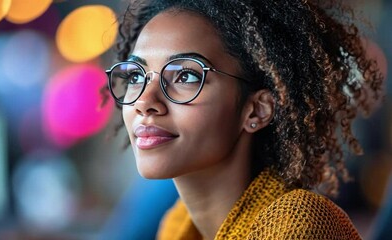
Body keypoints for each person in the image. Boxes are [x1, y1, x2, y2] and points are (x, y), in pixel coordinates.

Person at [102, 0, 385, 239]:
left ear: (256, 110)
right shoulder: (178, 225)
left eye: (186, 76)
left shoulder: (298, 225)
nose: (144, 102)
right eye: (137, 76)